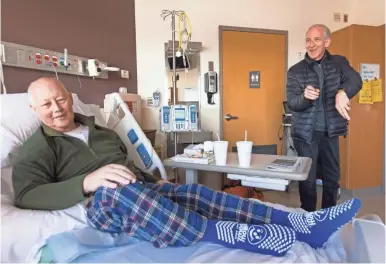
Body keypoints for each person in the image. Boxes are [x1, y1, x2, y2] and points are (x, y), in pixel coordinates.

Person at [13, 77, 361, 257]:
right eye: (46, 104)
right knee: (118, 191)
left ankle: (300, 223)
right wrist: (88, 181)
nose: (57, 108)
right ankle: (221, 234)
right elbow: (27, 195)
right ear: (33, 108)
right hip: (102, 202)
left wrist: (154, 182)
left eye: (61, 99)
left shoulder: (102, 131)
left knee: (193, 192)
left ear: (69, 98)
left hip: (141, 189)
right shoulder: (37, 148)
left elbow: (130, 165)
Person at [286, 24, 363, 212]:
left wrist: (343, 92)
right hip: (305, 135)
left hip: (330, 132)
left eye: (317, 40)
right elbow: (292, 103)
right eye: (308, 40)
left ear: (327, 42)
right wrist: (304, 97)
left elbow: (356, 80)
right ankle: (308, 215)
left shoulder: (339, 63)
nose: (311, 45)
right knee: (308, 178)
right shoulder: (295, 71)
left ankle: (328, 215)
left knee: (332, 177)